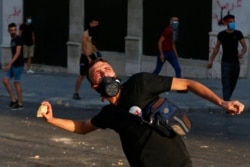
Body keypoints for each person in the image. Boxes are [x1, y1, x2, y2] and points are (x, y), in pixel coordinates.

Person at [41, 58, 244, 167]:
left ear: (115, 74)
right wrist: (52, 119)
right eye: (99, 73)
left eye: (108, 69)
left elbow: (188, 84)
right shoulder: (109, 113)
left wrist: (222, 102)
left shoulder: (141, 83)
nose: (105, 73)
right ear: (95, 86)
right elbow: (82, 127)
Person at [208, 14, 247, 101]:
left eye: (233, 21)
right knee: (226, 84)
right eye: (230, 22)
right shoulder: (222, 35)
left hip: (235, 63)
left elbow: (244, 46)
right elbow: (216, 48)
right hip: (225, 63)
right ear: (226, 23)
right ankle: (226, 102)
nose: (232, 23)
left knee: (233, 83)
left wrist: (242, 52)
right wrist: (211, 60)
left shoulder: (238, 33)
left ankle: (227, 98)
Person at [73, 18, 102, 100]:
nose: (96, 25)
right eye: (94, 23)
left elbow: (91, 45)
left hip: (92, 55)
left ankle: (101, 91)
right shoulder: (85, 34)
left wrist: (97, 51)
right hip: (85, 57)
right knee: (82, 75)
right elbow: (84, 47)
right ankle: (76, 93)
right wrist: (88, 57)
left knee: (98, 72)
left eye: (97, 23)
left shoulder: (92, 34)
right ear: (90, 24)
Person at [2, 23, 24, 110]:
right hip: (13, 64)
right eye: (11, 30)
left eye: (14, 30)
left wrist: (9, 64)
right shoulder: (12, 40)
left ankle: (20, 103)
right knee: (5, 81)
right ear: (8, 31)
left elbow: (18, 53)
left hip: (18, 65)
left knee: (16, 83)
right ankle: (13, 100)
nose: (13, 32)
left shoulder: (19, 39)